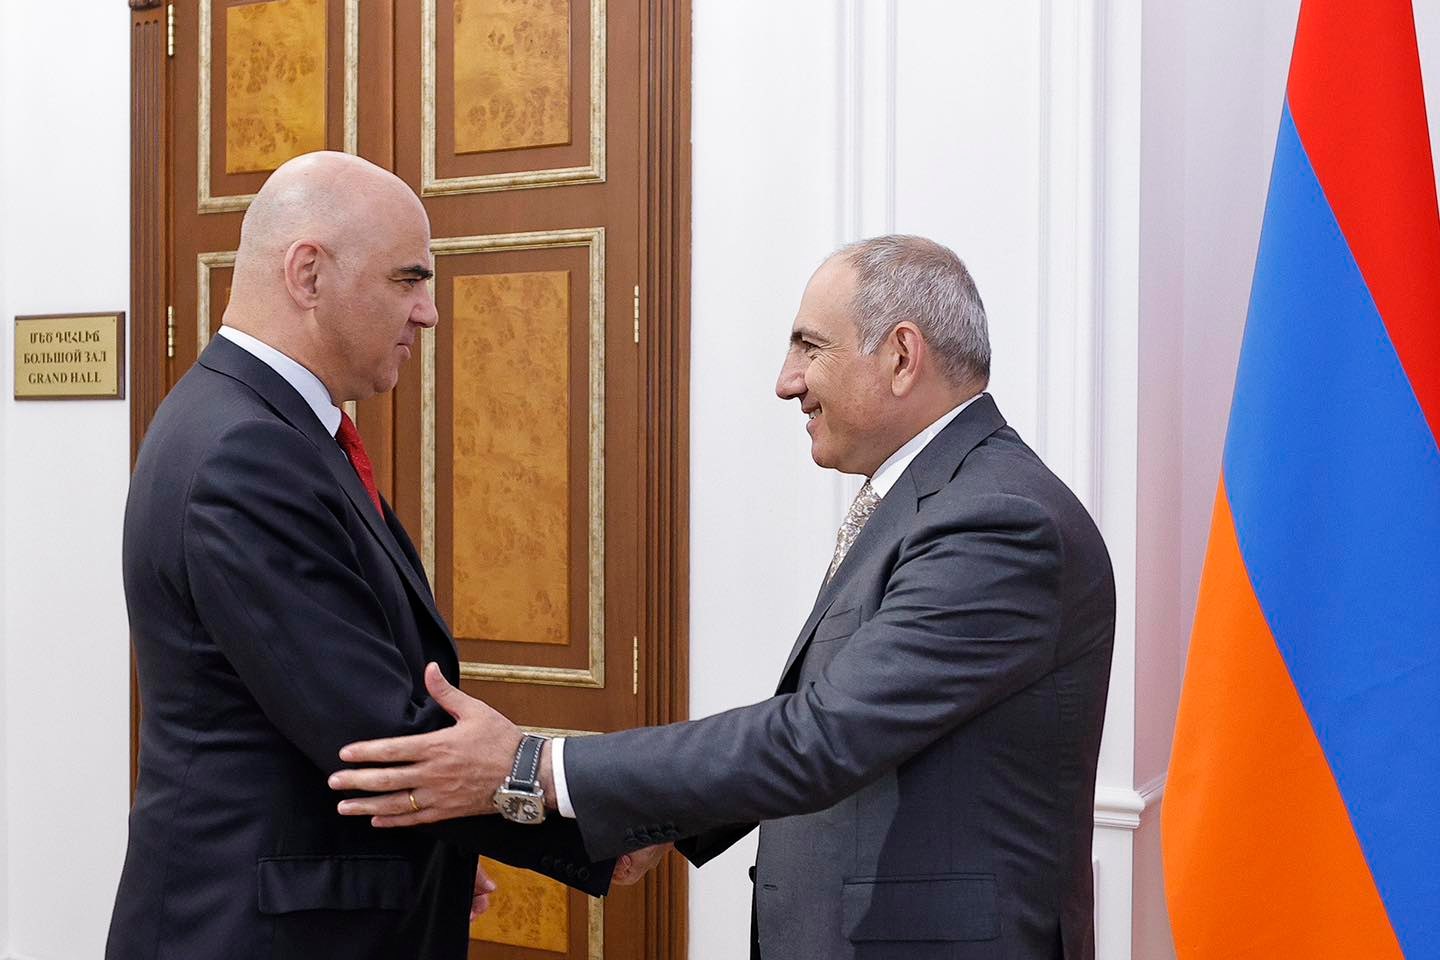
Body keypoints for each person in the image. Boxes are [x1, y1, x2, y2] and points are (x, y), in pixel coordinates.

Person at [329, 235, 1117, 959]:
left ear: (902, 356)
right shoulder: (939, 497)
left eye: (810, 346)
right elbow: (859, 714)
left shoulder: (997, 521)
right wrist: (667, 820)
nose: (787, 381)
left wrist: (533, 766)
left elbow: (826, 735)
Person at [107, 151, 611, 960]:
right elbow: (375, 736)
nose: (429, 314)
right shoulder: (247, 450)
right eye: (408, 281)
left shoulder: (253, 422)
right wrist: (605, 821)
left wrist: (440, 852)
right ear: (308, 274)